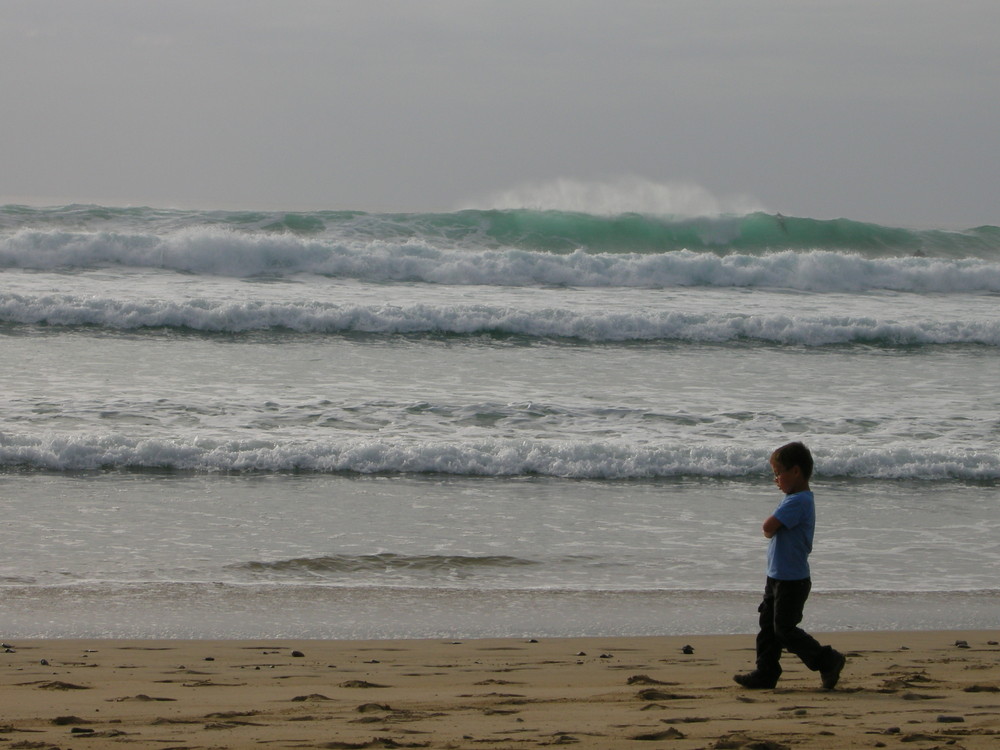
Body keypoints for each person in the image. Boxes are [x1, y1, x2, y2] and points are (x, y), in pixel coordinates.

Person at [733, 441, 846, 690]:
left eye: (778, 473)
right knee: (767, 628)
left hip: (792, 580)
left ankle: (827, 659)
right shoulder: (793, 500)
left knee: (784, 629)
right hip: (776, 576)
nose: (776, 479)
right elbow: (771, 529)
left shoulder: (798, 501)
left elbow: (768, 527)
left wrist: (769, 530)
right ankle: (766, 672)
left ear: (796, 471)